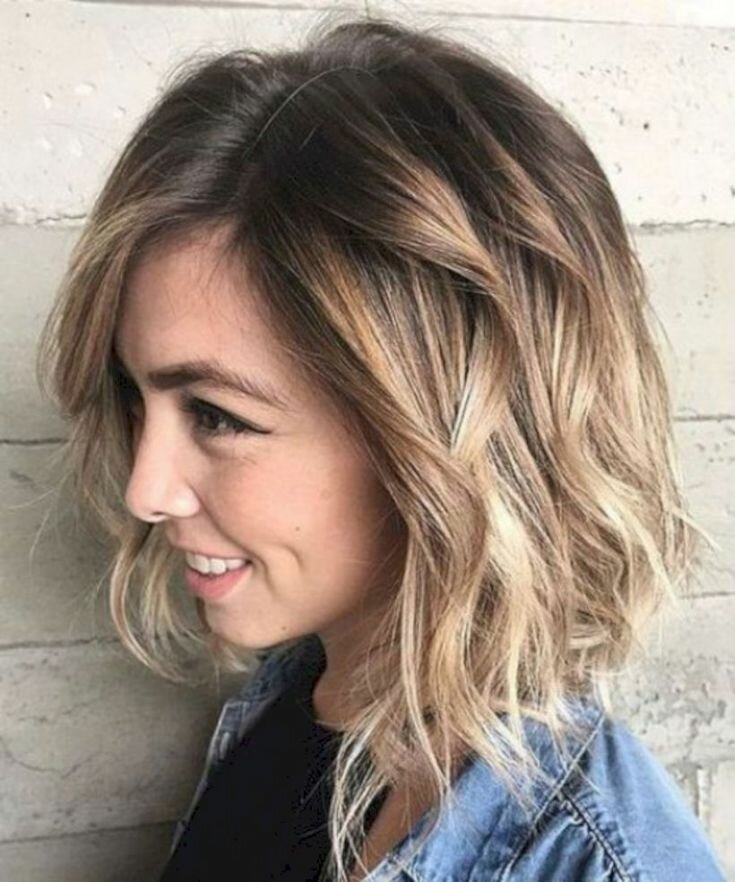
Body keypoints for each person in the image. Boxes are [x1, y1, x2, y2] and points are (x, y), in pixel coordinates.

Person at [35, 12, 727, 882]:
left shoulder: (599, 861)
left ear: (438, 436)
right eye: (138, 399)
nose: (144, 490)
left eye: (216, 416)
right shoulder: (292, 705)